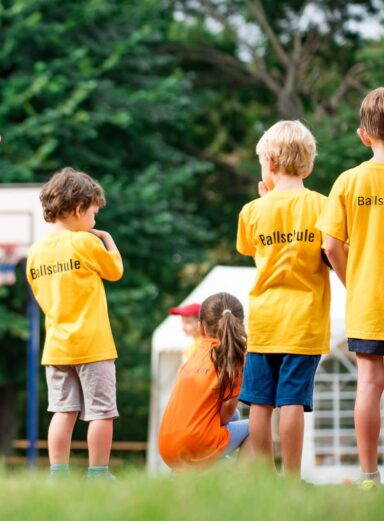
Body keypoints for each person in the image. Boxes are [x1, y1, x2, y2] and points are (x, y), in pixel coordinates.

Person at [236, 120, 330, 478]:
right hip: (304, 321)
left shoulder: (251, 210)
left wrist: (266, 202)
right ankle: (292, 478)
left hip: (264, 320)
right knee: (292, 400)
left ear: (270, 164)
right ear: (308, 165)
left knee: (260, 402)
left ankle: (264, 478)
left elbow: (249, 247)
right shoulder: (323, 207)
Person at [26, 167, 124, 481]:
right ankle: (98, 473)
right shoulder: (86, 243)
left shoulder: (35, 252)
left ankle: (58, 473)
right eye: (94, 214)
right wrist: (107, 238)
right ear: (80, 209)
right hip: (93, 344)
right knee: (101, 412)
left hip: (56, 347)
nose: (94, 222)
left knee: (62, 411)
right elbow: (115, 271)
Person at [317, 87, 384, 489]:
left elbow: (329, 244)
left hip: (368, 301)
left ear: (363, 135)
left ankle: (368, 475)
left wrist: (350, 280)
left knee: (369, 382)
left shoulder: (348, 181)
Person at [158, 293, 249, 469]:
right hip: (195, 447)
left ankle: (213, 471)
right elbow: (227, 411)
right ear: (241, 325)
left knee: (236, 417)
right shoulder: (234, 358)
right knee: (258, 425)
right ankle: (244, 481)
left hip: (166, 447)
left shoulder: (193, 354)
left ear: (201, 329)